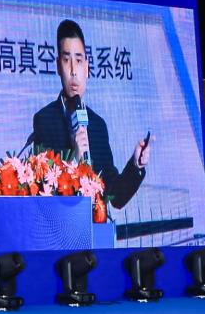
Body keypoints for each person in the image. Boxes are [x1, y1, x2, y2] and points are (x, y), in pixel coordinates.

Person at [28, 20, 149, 209]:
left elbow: (115, 196)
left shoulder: (98, 125)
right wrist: (74, 158)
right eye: (66, 60)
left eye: (78, 61)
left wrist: (135, 165)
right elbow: (43, 189)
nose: (73, 71)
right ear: (58, 66)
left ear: (87, 67)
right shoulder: (44, 120)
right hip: (60, 223)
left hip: (95, 225)